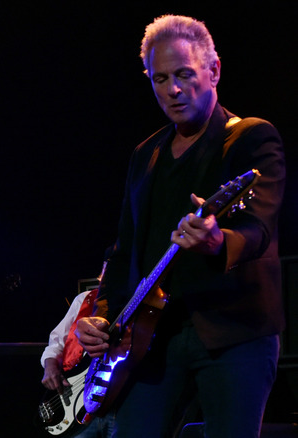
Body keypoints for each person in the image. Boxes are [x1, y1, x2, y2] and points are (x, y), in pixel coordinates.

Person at [75, 15, 285, 438]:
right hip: (154, 339)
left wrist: (216, 242)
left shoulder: (249, 137)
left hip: (234, 333)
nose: (172, 89)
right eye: (160, 78)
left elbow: (258, 227)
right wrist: (102, 318)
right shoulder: (145, 154)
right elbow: (124, 250)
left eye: (185, 74)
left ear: (214, 70)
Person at [40, 255, 114, 438]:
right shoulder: (85, 299)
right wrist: (50, 367)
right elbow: (57, 341)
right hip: (77, 400)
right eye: (109, 266)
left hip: (120, 403)